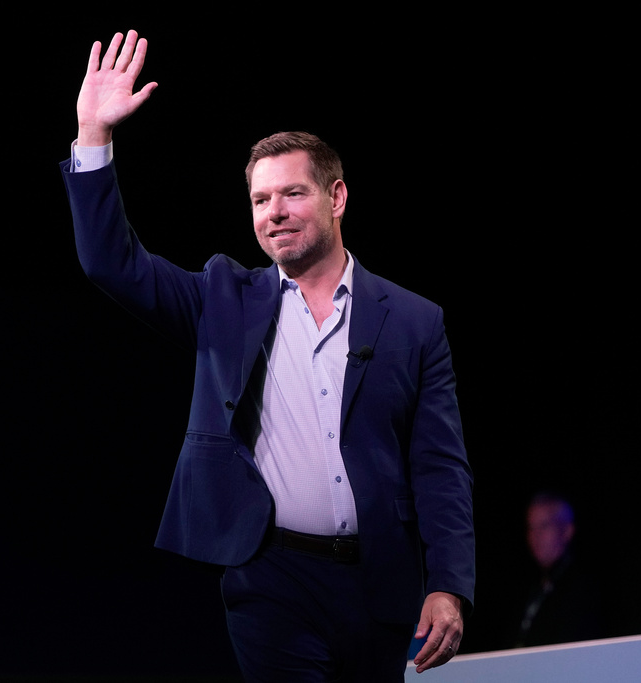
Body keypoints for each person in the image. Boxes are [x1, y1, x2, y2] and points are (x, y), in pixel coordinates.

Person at [61, 31, 475, 681]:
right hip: (270, 581)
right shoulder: (224, 298)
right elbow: (112, 264)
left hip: (380, 587)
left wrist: (448, 582)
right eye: (260, 200)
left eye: (292, 194)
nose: (273, 212)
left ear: (337, 198)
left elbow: (441, 466)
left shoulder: (415, 321)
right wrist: (93, 135)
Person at [512, 491, 602, 647]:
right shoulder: (529, 585)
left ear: (567, 530)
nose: (535, 536)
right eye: (531, 527)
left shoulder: (583, 588)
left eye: (544, 526)